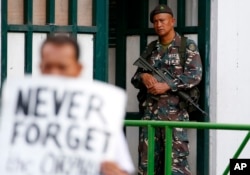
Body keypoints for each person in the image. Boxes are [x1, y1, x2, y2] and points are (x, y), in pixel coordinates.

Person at [40, 35, 134, 175]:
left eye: (62, 67)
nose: (54, 73)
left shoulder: (101, 116)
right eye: (48, 67)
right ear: (40, 68)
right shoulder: (20, 115)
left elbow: (123, 168)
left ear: (78, 69)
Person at [131, 4, 202, 175]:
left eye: (162, 20)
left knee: (176, 166)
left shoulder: (186, 46)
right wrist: (144, 77)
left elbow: (195, 75)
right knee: (148, 166)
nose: (158, 24)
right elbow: (135, 77)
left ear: (172, 21)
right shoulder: (151, 49)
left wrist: (168, 85)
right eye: (155, 21)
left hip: (175, 117)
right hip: (151, 116)